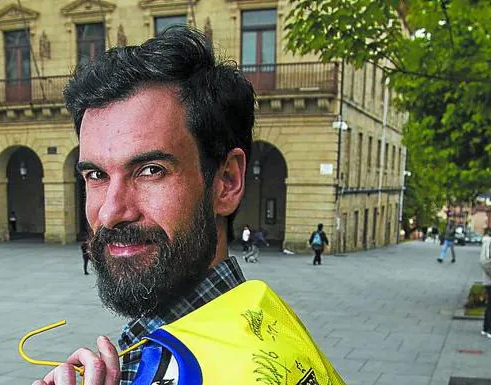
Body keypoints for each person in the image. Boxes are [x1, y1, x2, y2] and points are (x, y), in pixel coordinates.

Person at [31, 27, 344, 385]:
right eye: (96, 175)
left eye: (151, 171)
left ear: (226, 182)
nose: (110, 212)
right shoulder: (268, 317)